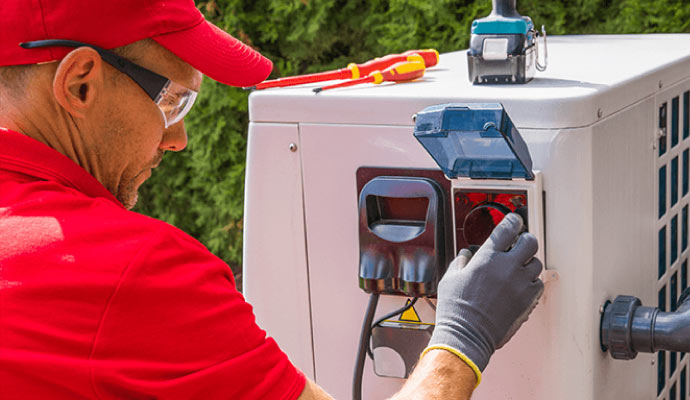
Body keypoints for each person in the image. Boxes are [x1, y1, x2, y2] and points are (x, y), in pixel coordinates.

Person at [0, 1, 544, 399]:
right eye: (172, 99)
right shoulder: (132, 272)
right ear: (79, 85)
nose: (177, 139)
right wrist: (461, 338)